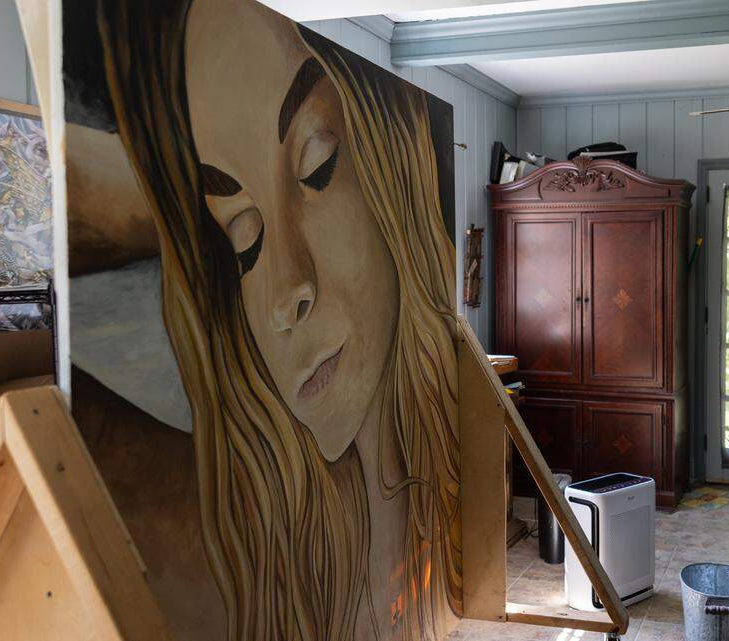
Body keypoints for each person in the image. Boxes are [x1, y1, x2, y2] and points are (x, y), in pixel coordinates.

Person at [94, 0, 461, 639]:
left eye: (316, 165)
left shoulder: (435, 504)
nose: (284, 291)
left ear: (390, 167)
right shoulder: (247, 544)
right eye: (240, 232)